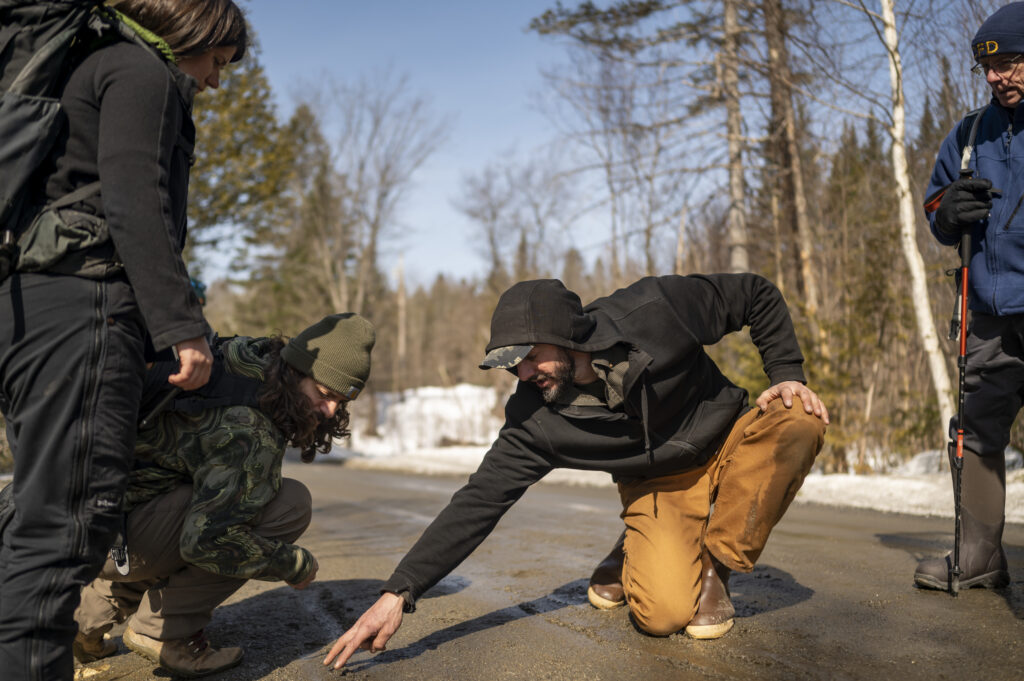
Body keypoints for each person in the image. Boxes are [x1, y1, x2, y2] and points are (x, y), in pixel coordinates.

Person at [324, 274, 828, 669]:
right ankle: (639, 541)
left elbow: (755, 293)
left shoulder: (654, 310)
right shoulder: (534, 419)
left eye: (529, 357)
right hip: (659, 482)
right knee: (664, 617)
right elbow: (477, 503)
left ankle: (716, 562)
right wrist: (399, 592)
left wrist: (786, 374)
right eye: (510, 365)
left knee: (799, 420)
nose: (522, 374)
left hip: (730, 438)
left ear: (568, 338)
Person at [0, 1, 247, 679]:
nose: (216, 82)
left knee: (38, 522)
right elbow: (136, 200)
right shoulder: (142, 70)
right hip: (84, 310)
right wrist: (181, 327)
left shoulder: (86, 65)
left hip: (31, 312)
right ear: (191, 35)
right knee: (62, 538)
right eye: (216, 62)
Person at [72, 313, 375, 677]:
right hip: (109, 537)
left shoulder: (245, 361)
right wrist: (292, 563)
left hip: (87, 523)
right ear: (297, 370)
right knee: (287, 506)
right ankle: (166, 631)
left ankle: (81, 619)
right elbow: (206, 542)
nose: (329, 411)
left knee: (204, 499)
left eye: (340, 402)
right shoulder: (251, 427)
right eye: (325, 394)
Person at [917, 2, 1024, 591]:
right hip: (984, 313)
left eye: (1007, 63)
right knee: (977, 433)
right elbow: (935, 204)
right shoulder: (969, 133)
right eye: (986, 67)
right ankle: (979, 557)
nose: (994, 77)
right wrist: (948, 211)